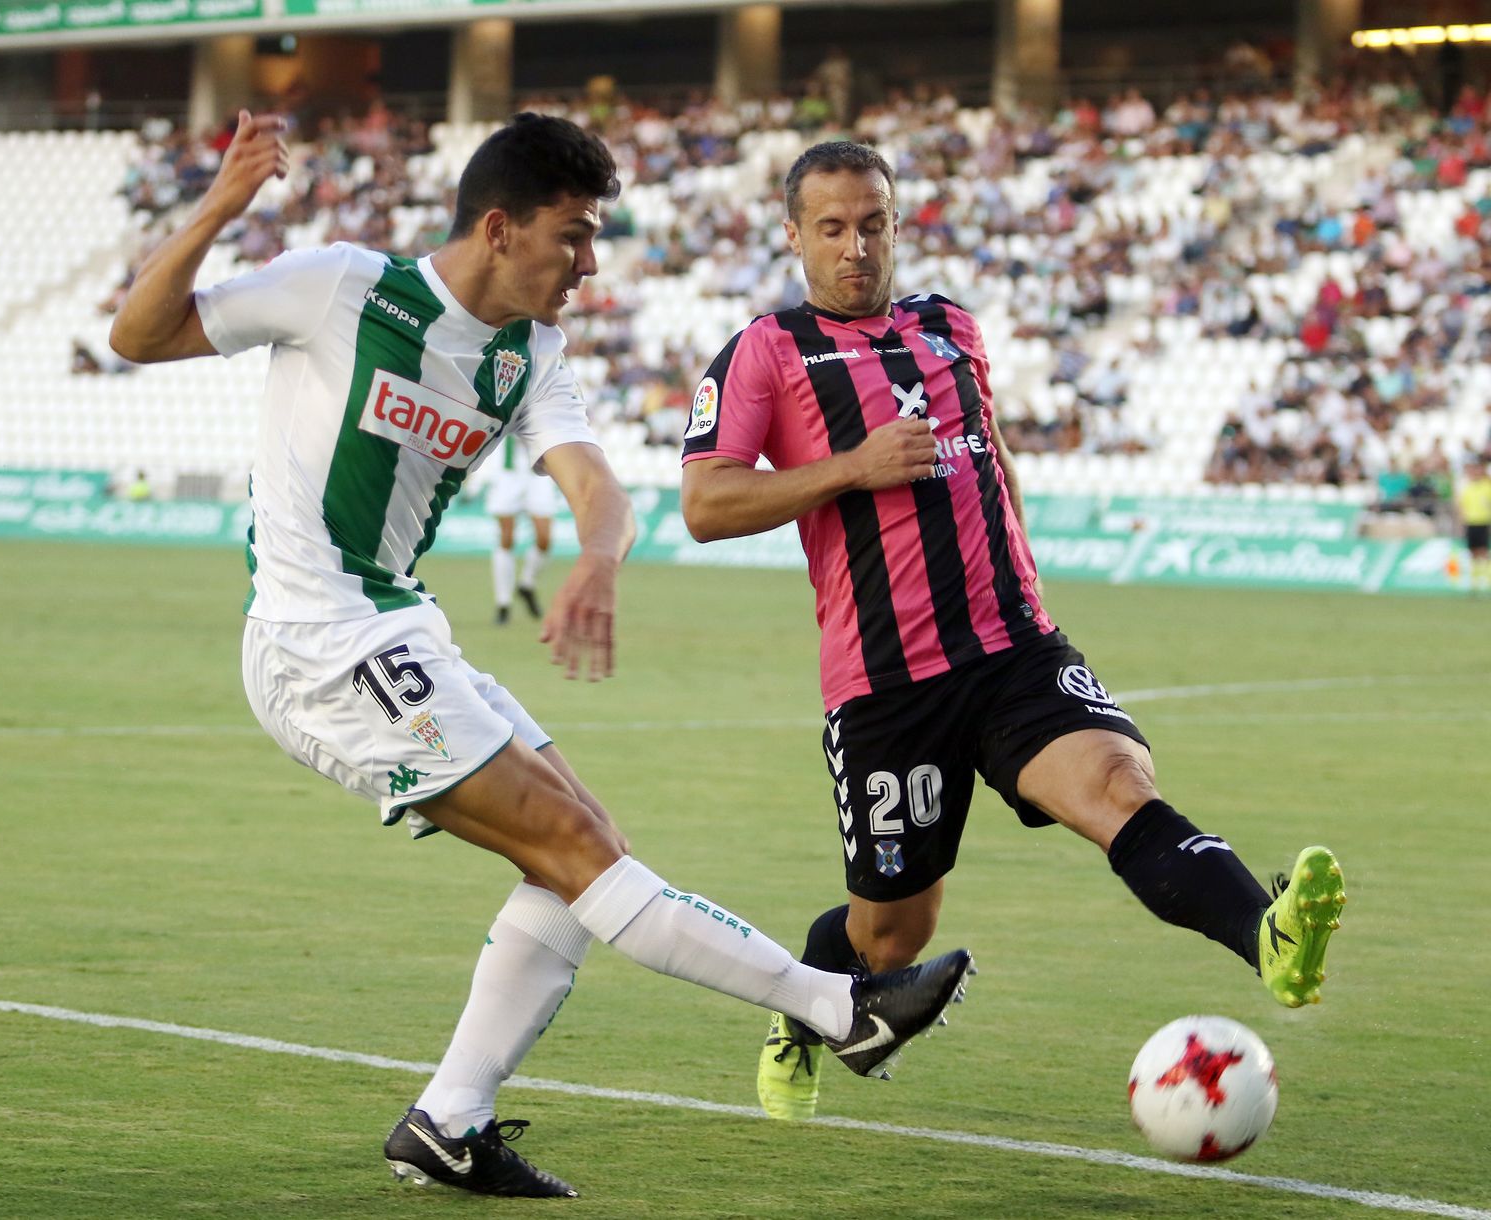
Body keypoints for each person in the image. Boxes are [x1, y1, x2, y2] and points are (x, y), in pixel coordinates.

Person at [110, 112, 974, 1198]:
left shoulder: (529, 352)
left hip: (398, 626)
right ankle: (835, 1006)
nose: (589, 264)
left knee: (579, 856)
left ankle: (449, 1119)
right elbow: (137, 337)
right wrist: (222, 207)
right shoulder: (343, 288)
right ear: (499, 226)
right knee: (576, 845)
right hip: (315, 639)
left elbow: (598, 486)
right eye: (572, 237)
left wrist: (599, 558)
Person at [679, 140, 1347, 1123]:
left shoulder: (952, 326)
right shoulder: (765, 352)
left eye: (872, 223)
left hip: (1013, 648)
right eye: (830, 227)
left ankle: (1268, 934)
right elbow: (705, 503)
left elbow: (990, 457)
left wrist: (1026, 582)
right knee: (891, 932)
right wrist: (852, 467)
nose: (854, 246)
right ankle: (802, 1008)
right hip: (886, 683)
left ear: (897, 225)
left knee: (1118, 786)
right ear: (792, 234)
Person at [483, 432, 554, 625]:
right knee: (506, 537)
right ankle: (503, 603)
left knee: (544, 538)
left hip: (537, 474)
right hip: (507, 474)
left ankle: (527, 584)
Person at [1454, 454, 1491, 593]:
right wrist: (1461, 523)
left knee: (1483, 550)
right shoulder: (1467, 488)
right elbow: (1462, 507)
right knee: (1473, 551)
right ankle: (1475, 581)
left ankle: (1487, 579)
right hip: (1471, 522)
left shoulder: (1487, 486)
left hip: (1484, 521)